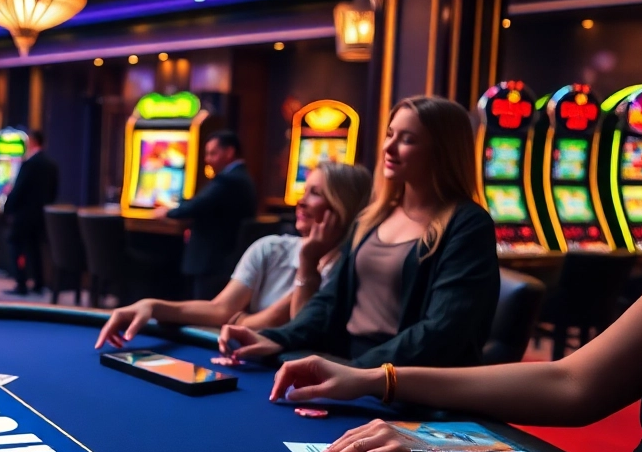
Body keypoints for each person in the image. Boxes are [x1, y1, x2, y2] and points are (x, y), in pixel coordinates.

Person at [266, 74, 642, 452]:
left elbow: (442, 332)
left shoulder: (465, 223)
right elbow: (572, 381)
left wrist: (371, 375)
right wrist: (346, 367)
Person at [219, 96, 500, 368]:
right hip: (350, 365)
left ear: (442, 152)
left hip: (406, 381)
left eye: (407, 140)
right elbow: (330, 301)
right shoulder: (373, 217)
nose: (388, 147)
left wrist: (359, 372)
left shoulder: (468, 225)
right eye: (390, 134)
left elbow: (443, 332)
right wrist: (275, 339)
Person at [95, 162, 372, 348]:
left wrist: (308, 264)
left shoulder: (354, 267)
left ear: (342, 206)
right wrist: (153, 306)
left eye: (316, 193)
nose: (300, 201)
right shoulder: (270, 248)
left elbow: (301, 333)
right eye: (305, 190)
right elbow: (220, 310)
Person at [165, 130, 258, 300]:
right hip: (223, 260)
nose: (207, 159)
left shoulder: (229, 179)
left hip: (213, 262)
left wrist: (168, 211)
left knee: (201, 310)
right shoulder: (241, 176)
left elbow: (197, 205)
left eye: (212, 153)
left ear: (229, 152)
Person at [3, 129, 59, 296]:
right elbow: (53, 192)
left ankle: (21, 283)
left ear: (33, 141)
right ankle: (38, 283)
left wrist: (7, 207)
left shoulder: (29, 164)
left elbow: (19, 189)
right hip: (41, 215)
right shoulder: (51, 165)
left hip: (24, 215)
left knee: (17, 247)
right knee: (35, 249)